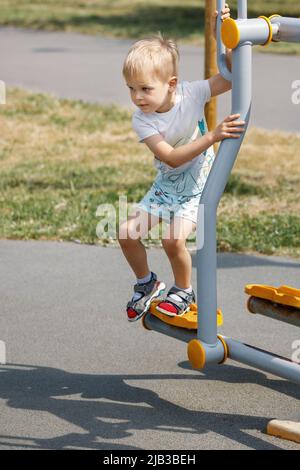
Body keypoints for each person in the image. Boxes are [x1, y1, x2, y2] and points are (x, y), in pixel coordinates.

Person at [118, 4, 245, 321]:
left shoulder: (193, 93)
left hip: (199, 184)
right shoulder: (142, 121)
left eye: (145, 89)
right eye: (131, 89)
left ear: (171, 84)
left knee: (172, 239)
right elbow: (171, 158)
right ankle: (146, 282)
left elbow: (231, 75)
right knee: (126, 232)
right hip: (167, 184)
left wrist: (224, 29)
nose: (137, 97)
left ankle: (183, 289)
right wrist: (212, 136)